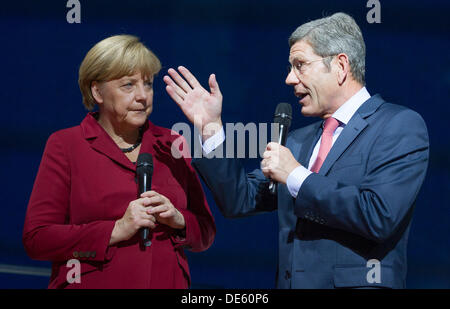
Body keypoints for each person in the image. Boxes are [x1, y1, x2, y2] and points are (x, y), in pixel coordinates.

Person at [163, 13, 429, 288]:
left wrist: (296, 176)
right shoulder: (299, 141)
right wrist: (210, 128)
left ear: (340, 66)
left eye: (300, 65)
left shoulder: (398, 125)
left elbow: (378, 215)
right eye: (291, 67)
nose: (289, 78)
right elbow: (238, 200)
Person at [23, 35, 216, 289]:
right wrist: (115, 229)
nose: (142, 96)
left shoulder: (172, 143)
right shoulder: (66, 145)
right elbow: (38, 239)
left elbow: (205, 232)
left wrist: (178, 219)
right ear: (97, 91)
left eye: (147, 84)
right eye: (128, 85)